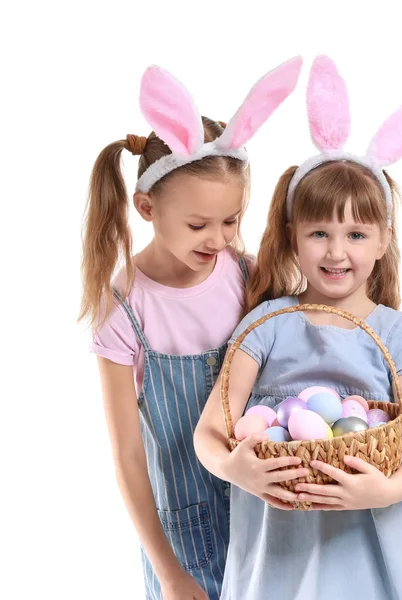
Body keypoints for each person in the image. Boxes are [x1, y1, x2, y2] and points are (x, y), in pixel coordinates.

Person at [194, 55, 402, 599]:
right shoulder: (267, 323)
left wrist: (384, 491)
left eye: (357, 234)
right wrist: (238, 470)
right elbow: (210, 432)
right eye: (319, 234)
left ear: (383, 242)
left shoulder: (395, 333)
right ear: (291, 237)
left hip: (363, 534)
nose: (337, 252)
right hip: (278, 543)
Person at [79, 57, 302, 600]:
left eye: (231, 220)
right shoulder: (125, 310)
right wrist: (170, 574)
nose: (220, 239)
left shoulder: (245, 276)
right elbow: (130, 459)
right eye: (199, 224)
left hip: (266, 515)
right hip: (184, 537)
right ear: (147, 207)